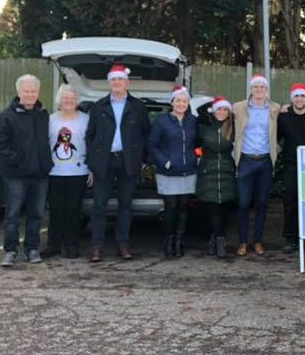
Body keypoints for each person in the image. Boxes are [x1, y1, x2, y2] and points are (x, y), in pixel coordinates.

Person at [85, 64, 150, 262]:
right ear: (110, 82)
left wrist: (143, 161)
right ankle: (97, 247)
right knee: (99, 206)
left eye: (120, 79)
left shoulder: (138, 107)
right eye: (113, 79)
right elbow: (90, 136)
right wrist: (91, 165)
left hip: (128, 162)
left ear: (127, 82)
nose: (117, 83)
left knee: (125, 206)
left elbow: (145, 135)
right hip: (103, 162)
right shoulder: (99, 106)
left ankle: (123, 244)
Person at [0, 74, 53, 267]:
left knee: (37, 215)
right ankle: (10, 251)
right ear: (19, 92)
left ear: (38, 92)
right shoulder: (6, 116)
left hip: (40, 175)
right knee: (13, 215)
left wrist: (46, 164)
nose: (30, 95)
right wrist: (16, 160)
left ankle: (32, 249)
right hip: (16, 175)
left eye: (33, 91)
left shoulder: (43, 115)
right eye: (27, 91)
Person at [232, 74, 280, 257]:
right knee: (243, 203)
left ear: (266, 90)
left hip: (265, 161)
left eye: (262, 87)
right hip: (245, 160)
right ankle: (243, 242)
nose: (259, 90)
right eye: (255, 87)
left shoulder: (274, 108)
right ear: (251, 89)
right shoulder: (238, 108)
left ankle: (257, 241)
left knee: (262, 203)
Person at [148, 85, 199, 258]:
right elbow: (152, 146)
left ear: (188, 103)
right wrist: (165, 162)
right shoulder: (162, 121)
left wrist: (196, 156)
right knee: (171, 207)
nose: (181, 104)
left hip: (188, 171)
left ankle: (179, 240)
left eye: (184, 101)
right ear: (172, 102)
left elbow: (199, 142)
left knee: (184, 207)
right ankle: (168, 240)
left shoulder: (193, 121)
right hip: (168, 172)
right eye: (178, 100)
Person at [45, 84, 92, 259]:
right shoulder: (50, 120)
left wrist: (92, 170)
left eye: (72, 98)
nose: (69, 101)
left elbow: (91, 146)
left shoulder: (86, 120)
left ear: (77, 101)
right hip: (54, 172)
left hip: (78, 173)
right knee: (55, 210)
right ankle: (53, 245)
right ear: (59, 100)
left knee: (74, 211)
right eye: (65, 98)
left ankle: (72, 246)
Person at [277, 83, 305, 254]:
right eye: (296, 96)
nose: (299, 99)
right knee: (290, 202)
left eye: (302, 96)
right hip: (291, 166)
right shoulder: (284, 117)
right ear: (292, 99)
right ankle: (291, 239)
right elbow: (276, 137)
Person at [196, 96, 238, 260]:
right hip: (208, 169)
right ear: (213, 111)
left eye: (225, 109)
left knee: (224, 205)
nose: (222, 112)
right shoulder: (204, 126)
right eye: (219, 109)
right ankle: (220, 239)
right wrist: (210, 108)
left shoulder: (232, 127)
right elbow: (200, 111)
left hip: (227, 169)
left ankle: (216, 238)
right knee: (212, 205)